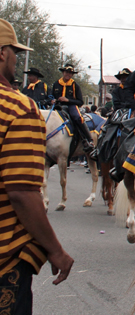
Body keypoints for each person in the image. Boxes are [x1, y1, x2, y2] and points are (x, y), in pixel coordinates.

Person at [0, 19, 74, 313]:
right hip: (5, 258)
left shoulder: (51, 86)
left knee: (78, 122)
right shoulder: (18, 108)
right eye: (15, 53)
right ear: (2, 53)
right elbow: (21, 192)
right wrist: (55, 250)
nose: (17, 61)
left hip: (66, 107)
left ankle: (86, 144)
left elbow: (71, 101)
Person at [50, 63, 98, 160]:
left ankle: (88, 140)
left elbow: (80, 101)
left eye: (70, 73)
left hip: (71, 106)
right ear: (63, 72)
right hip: (58, 106)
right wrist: (51, 100)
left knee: (77, 117)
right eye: (67, 72)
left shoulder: (75, 85)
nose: (68, 74)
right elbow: (51, 96)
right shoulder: (56, 84)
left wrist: (68, 100)